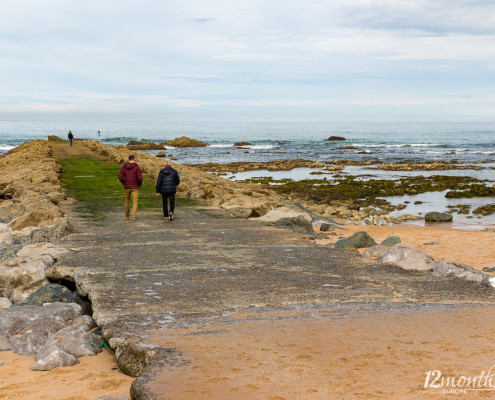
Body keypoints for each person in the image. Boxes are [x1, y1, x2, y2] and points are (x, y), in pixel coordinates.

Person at [118, 155, 143, 221]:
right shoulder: (137, 167)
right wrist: (138, 184)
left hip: (127, 186)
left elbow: (120, 177)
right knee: (135, 202)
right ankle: (133, 217)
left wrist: (124, 183)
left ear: (128, 159)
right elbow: (140, 178)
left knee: (127, 201)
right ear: (134, 159)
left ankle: (127, 216)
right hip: (135, 187)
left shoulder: (124, 166)